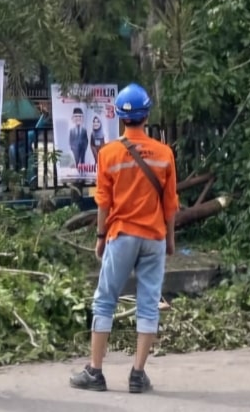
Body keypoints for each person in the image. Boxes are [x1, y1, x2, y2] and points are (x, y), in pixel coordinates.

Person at [69, 83, 178, 395]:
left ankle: (95, 372)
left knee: (105, 300)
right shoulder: (164, 154)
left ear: (118, 116)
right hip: (154, 237)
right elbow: (170, 204)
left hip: (122, 235)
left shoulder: (109, 153)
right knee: (148, 304)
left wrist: (101, 237)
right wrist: (169, 240)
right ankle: (137, 374)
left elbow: (103, 201)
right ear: (147, 116)